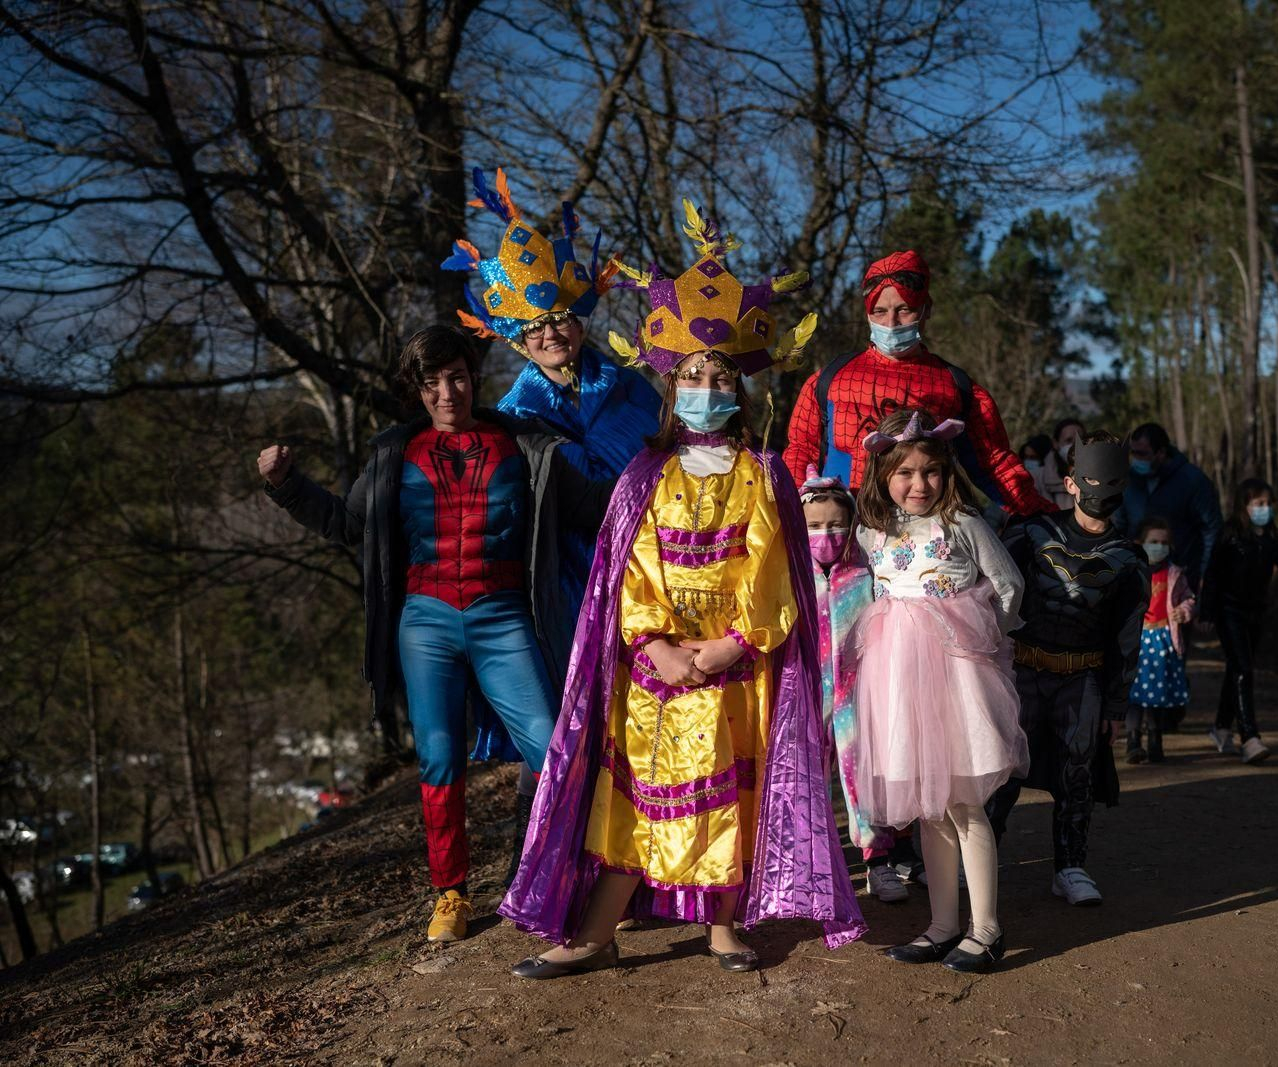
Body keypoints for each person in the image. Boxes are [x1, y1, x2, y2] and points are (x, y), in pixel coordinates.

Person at [499, 200, 863, 977]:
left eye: (718, 374)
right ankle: (597, 931)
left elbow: (771, 575)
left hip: (735, 666)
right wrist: (657, 643)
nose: (705, 384)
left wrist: (730, 643)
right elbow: (628, 573)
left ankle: (726, 923)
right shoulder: (644, 473)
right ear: (673, 383)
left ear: (739, 384)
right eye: (693, 374)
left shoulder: (763, 474)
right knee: (636, 797)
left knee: (730, 793)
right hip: (652, 669)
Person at [257, 325, 611, 942]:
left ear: (474, 376)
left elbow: (600, 509)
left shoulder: (526, 445)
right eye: (431, 383)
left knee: (555, 750)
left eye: (456, 377)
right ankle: (450, 895)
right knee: (440, 759)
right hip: (426, 624)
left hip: (505, 617)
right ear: (416, 391)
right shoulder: (395, 453)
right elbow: (345, 523)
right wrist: (287, 486)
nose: (446, 392)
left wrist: (668, 473)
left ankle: (567, 876)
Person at [442, 166, 662, 882]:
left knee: (645, 719)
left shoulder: (633, 388)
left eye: (558, 318)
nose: (549, 333)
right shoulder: (514, 413)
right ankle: (541, 865)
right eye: (533, 327)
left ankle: (645, 862)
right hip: (562, 585)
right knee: (567, 724)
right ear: (514, 336)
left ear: (580, 314)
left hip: (646, 576)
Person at [845, 408, 1028, 974]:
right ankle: (944, 926)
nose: (919, 484)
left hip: (959, 682)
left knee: (965, 805)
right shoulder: (872, 533)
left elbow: (1008, 586)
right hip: (898, 687)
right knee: (930, 810)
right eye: (905, 473)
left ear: (947, 473)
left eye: (931, 472)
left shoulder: (965, 525)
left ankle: (987, 929)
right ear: (882, 476)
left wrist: (976, 641)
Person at [986, 430, 1147, 908]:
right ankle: (980, 858)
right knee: (1002, 770)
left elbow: (1127, 636)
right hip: (1021, 671)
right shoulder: (1032, 532)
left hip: (1082, 679)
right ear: (1071, 481)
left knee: (1078, 775)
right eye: (1091, 478)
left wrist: (1116, 704)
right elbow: (990, 595)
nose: (1100, 490)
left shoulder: (1129, 558)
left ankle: (1071, 866)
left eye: (1111, 480)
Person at [781, 250, 1052, 516]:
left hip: (927, 540)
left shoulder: (956, 386)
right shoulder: (830, 379)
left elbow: (995, 464)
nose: (891, 322)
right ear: (867, 314)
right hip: (842, 538)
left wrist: (1047, 517)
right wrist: (790, 517)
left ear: (926, 309)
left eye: (904, 309)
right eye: (879, 311)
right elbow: (800, 453)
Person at [800, 466, 913, 903]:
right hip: (805, 700)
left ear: (852, 528)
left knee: (862, 780)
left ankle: (877, 864)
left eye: (835, 525)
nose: (824, 534)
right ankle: (814, 868)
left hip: (857, 699)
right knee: (808, 781)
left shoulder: (865, 578)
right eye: (813, 527)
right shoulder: (790, 580)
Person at [1201, 478, 1278, 765]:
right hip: (1229, 611)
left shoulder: (1274, 538)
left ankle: (1220, 729)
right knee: (1243, 669)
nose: (1264, 509)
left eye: (1267, 504)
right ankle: (1250, 738)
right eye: (1258, 504)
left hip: (1256, 611)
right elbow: (1214, 575)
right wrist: (1207, 611)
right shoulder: (1230, 534)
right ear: (1245, 506)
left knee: (1237, 670)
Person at [1126, 516, 1195, 764]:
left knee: (1157, 694)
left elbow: (1188, 598)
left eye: (1164, 542)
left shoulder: (1174, 573)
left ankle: (1156, 741)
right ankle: (1133, 742)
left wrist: (1184, 611)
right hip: (1138, 640)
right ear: (1140, 542)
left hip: (1163, 640)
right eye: (1153, 541)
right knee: (1134, 693)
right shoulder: (1131, 571)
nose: (1159, 546)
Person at [1121, 422, 1224, 582]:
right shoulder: (1127, 482)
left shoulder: (1192, 481)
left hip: (1183, 578)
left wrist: (1204, 573)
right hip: (1138, 577)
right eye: (1133, 453)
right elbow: (1119, 526)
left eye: (1142, 454)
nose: (1136, 460)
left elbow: (1211, 529)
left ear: (1161, 452)